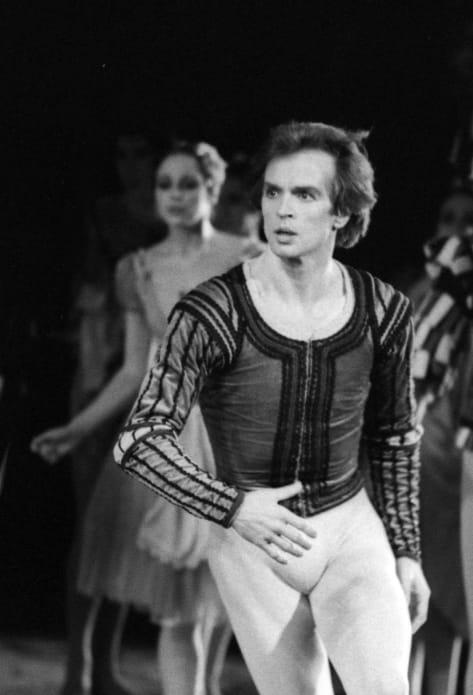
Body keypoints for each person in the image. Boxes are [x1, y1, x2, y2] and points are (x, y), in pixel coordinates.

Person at [114, 121, 430, 695]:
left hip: (349, 527)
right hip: (251, 545)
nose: (282, 209)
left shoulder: (384, 310)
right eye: (272, 192)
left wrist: (407, 552)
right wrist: (233, 507)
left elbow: (394, 436)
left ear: (341, 212)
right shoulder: (212, 311)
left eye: (305, 194)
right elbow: (139, 439)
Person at [32, 140, 257, 695]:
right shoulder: (138, 269)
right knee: (179, 607)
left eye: (188, 183)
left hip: (230, 436)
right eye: (165, 185)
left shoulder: (247, 256)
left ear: (212, 188)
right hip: (169, 437)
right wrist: (77, 428)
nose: (175, 195)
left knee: (225, 596)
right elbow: (136, 369)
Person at [407, 187, 473, 695]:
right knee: (411, 598)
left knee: (455, 599)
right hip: (419, 462)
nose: (457, 229)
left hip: (458, 464)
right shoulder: (421, 294)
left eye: (467, 219)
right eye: (448, 217)